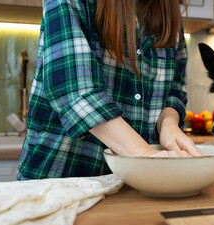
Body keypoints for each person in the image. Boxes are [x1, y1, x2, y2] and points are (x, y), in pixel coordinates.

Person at [17, 0, 202, 180]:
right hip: (61, 177)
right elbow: (75, 89)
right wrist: (144, 155)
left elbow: (175, 90)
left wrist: (168, 125)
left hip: (132, 183)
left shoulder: (169, 15)